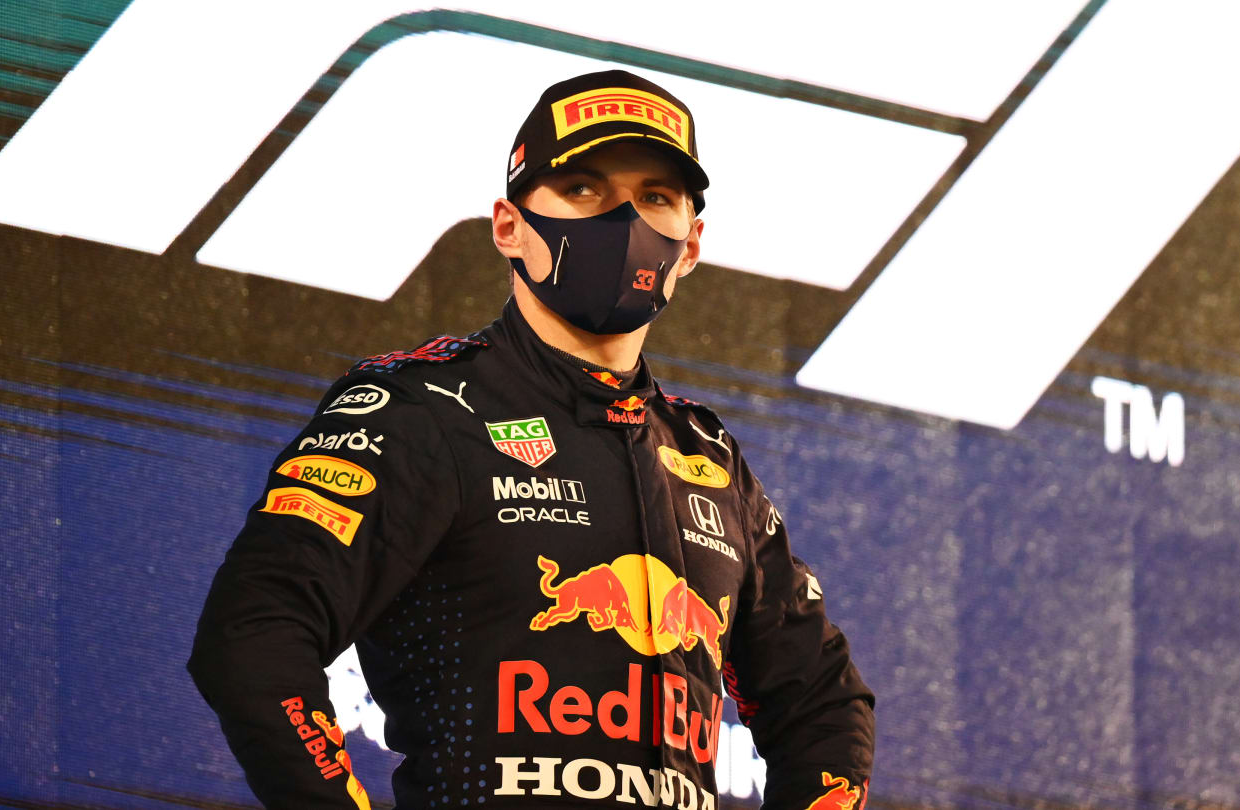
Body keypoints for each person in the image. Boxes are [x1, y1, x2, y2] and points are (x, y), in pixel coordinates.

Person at [188, 69, 874, 810]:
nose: (625, 223)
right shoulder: (419, 408)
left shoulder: (708, 459)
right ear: (508, 226)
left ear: (691, 244)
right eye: (583, 189)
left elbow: (822, 708)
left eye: (655, 199)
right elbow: (253, 637)